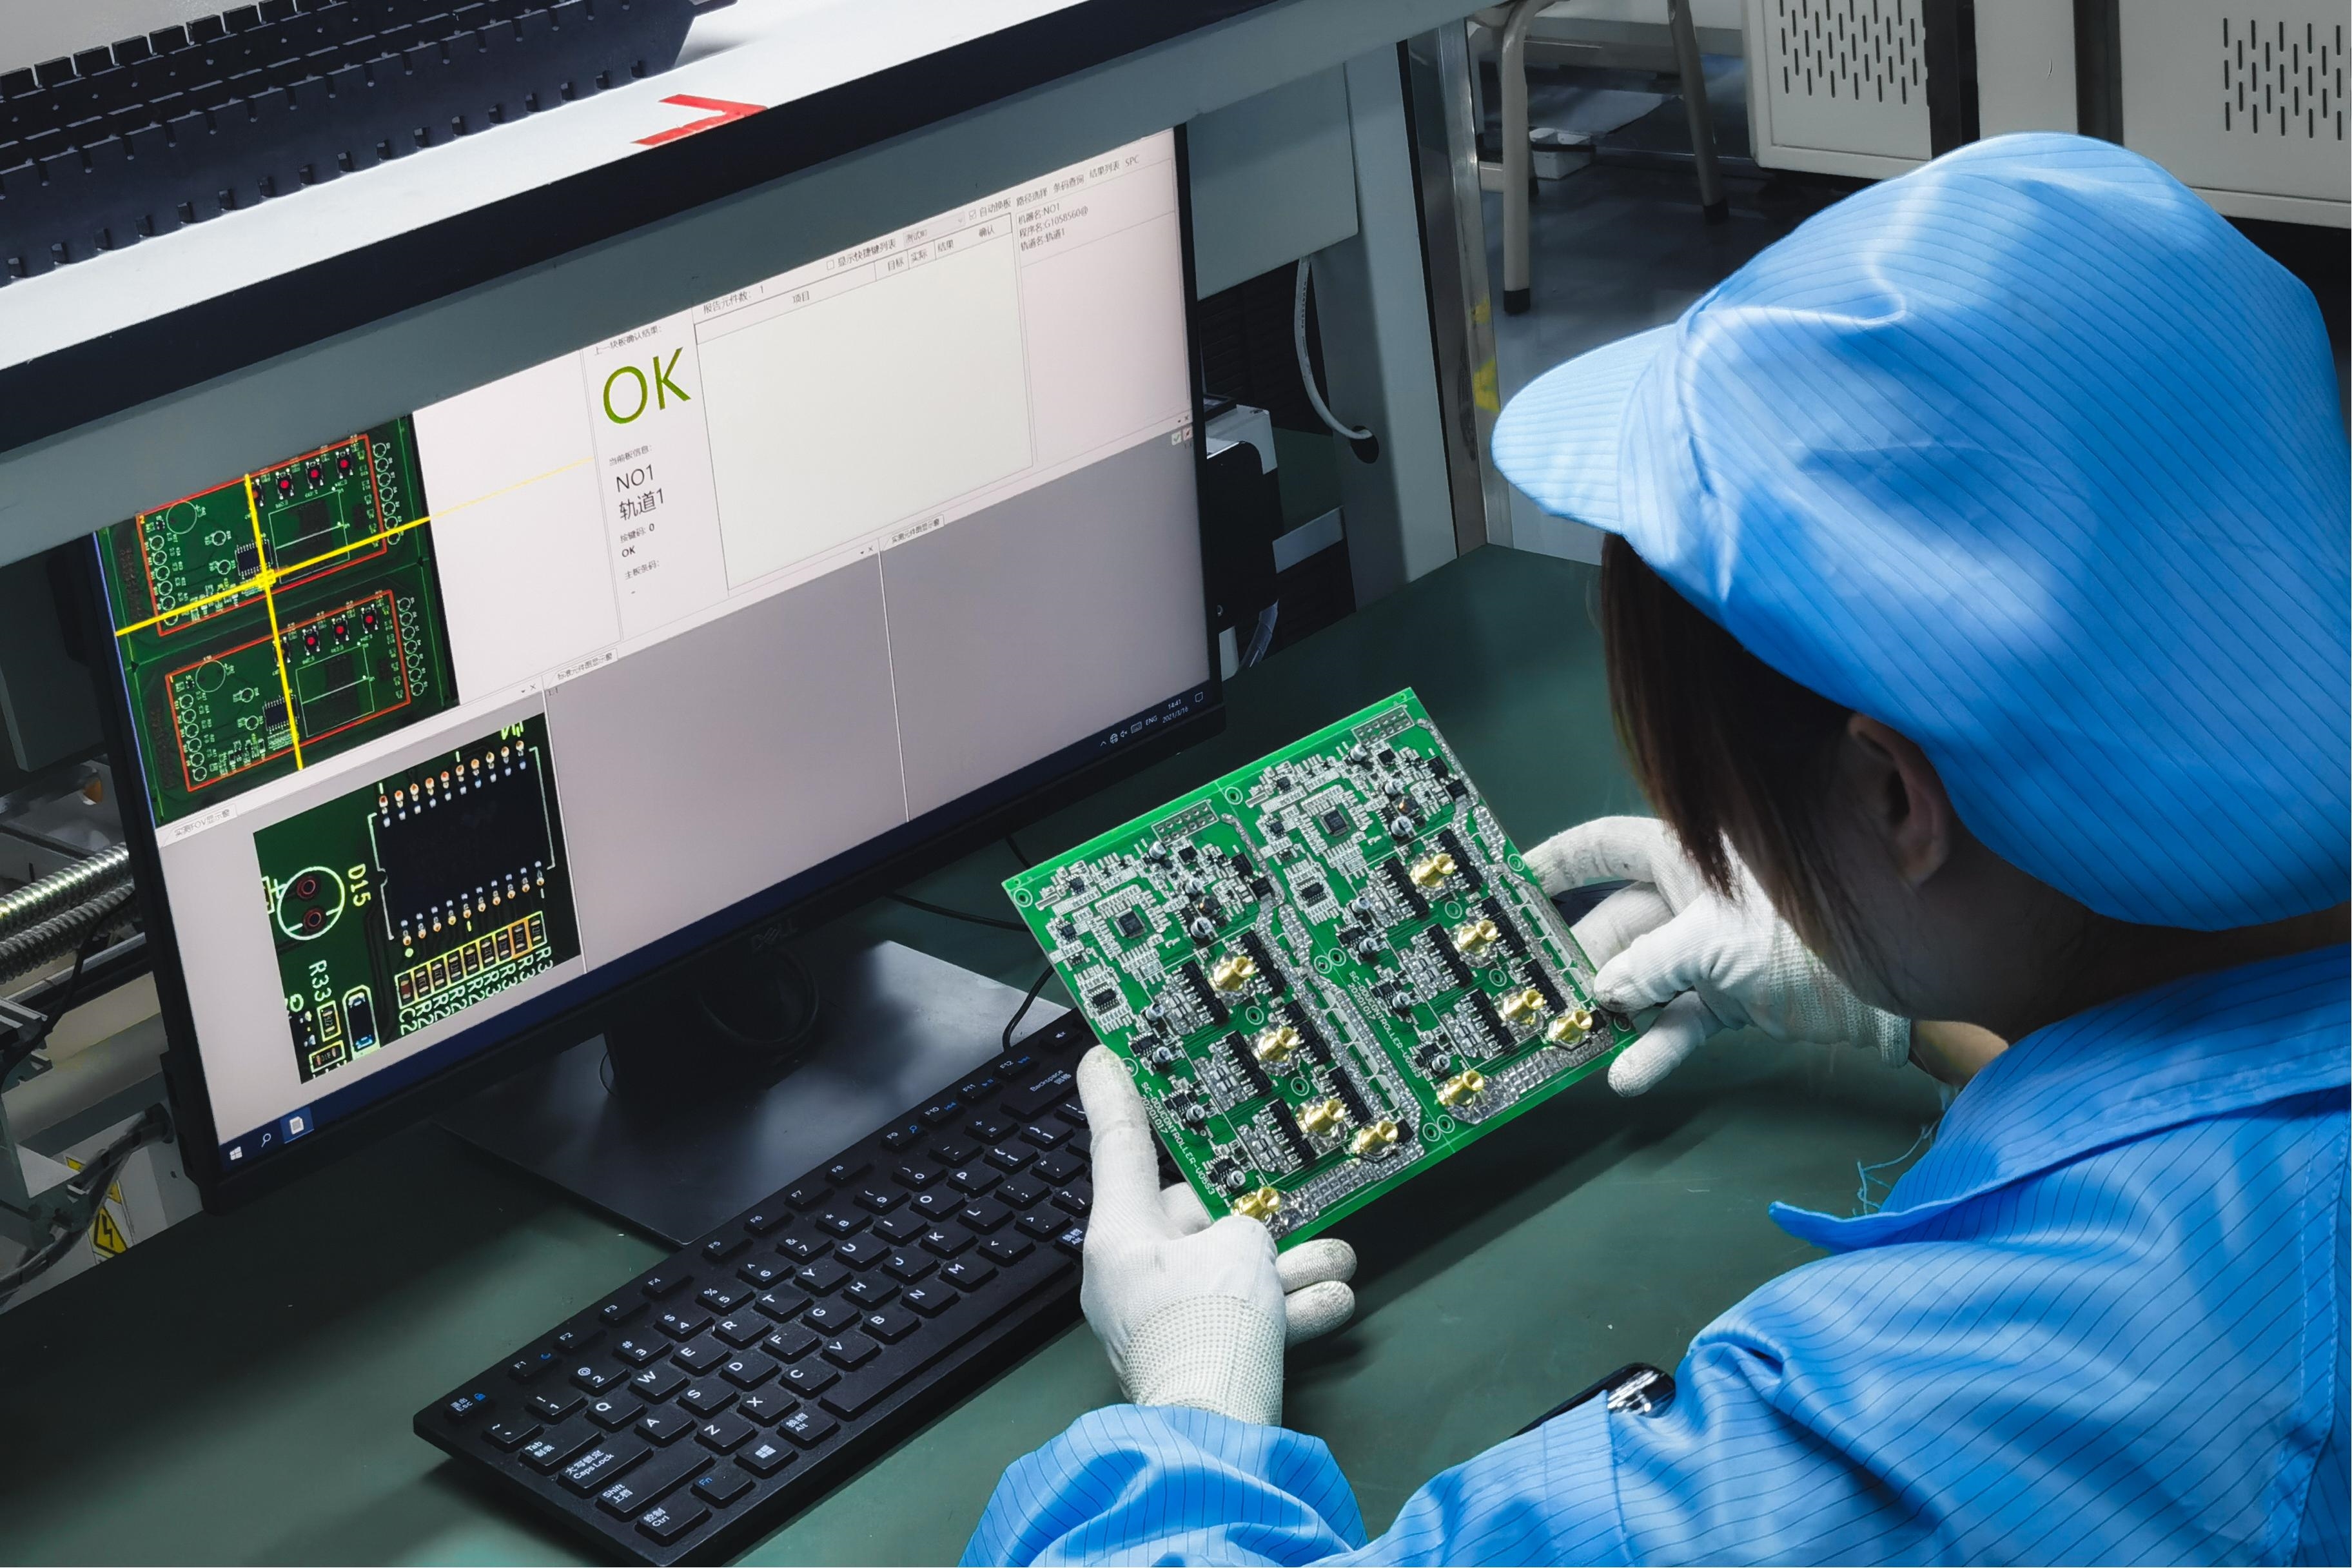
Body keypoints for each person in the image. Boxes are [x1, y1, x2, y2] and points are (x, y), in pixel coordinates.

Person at [963, 133, 2349, 1565]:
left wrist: (1187, 1406)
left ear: (1893, 800)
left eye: (1724, 794)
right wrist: (1928, 1016)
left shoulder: (1938, 1416)